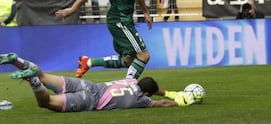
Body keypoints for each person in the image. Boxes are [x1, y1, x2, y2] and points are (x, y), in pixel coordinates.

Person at [55, 0, 153, 80]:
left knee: (129, 60)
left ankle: (89, 62)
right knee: (144, 56)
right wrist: (73, 8)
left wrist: (145, 11)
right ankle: (129, 87)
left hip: (127, 20)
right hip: (119, 21)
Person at [0, 53, 195, 112]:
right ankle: (33, 80)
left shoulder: (129, 79)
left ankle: (18, 60)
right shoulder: (141, 100)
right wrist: (182, 101)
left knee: (45, 76)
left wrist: (167, 91)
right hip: (90, 100)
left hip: (88, 85)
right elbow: (161, 103)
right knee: (46, 102)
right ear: (146, 94)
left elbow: (149, 85)